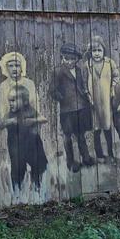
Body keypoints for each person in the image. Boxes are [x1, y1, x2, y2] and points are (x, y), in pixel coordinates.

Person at [51, 42, 94, 171]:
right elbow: (52, 90)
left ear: (77, 59)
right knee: (67, 136)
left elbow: (81, 86)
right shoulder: (58, 72)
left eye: (73, 59)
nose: (69, 62)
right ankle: (71, 162)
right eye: (66, 59)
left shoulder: (79, 70)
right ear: (62, 58)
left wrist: (86, 97)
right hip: (67, 110)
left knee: (81, 134)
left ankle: (85, 157)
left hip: (81, 107)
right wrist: (62, 98)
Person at [0, 85, 48, 190]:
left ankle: (36, 186)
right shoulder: (10, 114)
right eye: (9, 101)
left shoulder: (29, 111)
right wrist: (10, 121)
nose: (11, 103)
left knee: (39, 164)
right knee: (18, 168)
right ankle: (17, 190)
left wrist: (33, 121)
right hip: (16, 145)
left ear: (24, 101)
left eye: (14, 100)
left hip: (32, 144)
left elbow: (44, 119)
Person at [85, 35, 119, 160]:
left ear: (104, 51)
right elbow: (85, 82)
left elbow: (116, 76)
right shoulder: (88, 64)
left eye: (99, 50)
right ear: (90, 52)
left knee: (107, 127)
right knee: (96, 129)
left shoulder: (109, 63)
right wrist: (89, 96)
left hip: (106, 100)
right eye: (94, 51)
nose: (97, 53)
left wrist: (112, 89)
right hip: (94, 101)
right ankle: (99, 154)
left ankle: (110, 153)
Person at [0, 52, 39, 119]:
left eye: (17, 66)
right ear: (6, 68)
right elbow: (2, 110)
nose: (14, 69)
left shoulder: (30, 84)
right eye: (11, 66)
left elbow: (35, 105)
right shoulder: (3, 86)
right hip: (10, 123)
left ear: (22, 67)